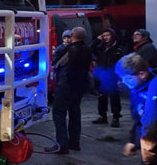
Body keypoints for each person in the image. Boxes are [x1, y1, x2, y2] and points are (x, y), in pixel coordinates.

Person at [46, 26, 93, 154]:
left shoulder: (71, 50)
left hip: (66, 85)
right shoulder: (88, 49)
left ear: (72, 36)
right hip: (79, 86)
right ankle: (74, 143)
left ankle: (61, 144)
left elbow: (57, 64)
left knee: (59, 113)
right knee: (75, 114)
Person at [91, 28, 124, 127]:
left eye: (107, 35)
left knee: (114, 98)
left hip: (113, 77)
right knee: (101, 97)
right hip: (101, 76)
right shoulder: (101, 48)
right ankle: (102, 116)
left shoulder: (118, 49)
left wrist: (120, 78)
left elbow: (123, 64)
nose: (105, 37)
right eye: (104, 35)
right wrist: (97, 40)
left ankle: (116, 117)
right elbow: (91, 48)